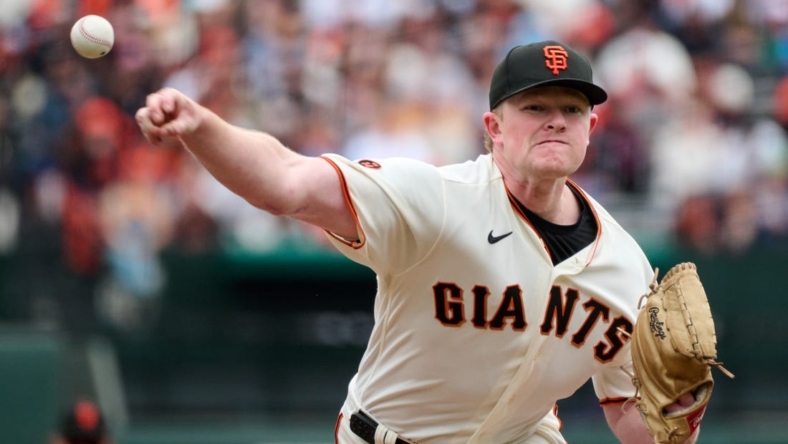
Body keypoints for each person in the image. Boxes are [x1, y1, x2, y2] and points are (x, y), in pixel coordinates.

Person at [136, 40, 700, 444]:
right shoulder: (434, 200)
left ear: (590, 130)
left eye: (571, 109)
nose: (555, 121)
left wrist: (676, 416)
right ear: (494, 128)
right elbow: (286, 182)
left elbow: (631, 414)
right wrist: (203, 127)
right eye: (535, 107)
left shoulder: (627, 268)